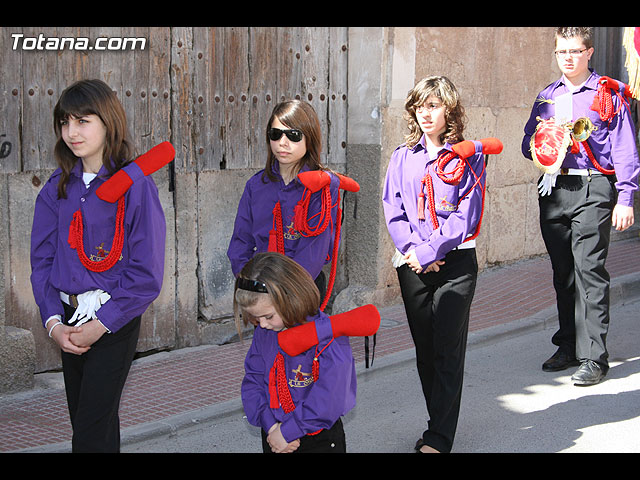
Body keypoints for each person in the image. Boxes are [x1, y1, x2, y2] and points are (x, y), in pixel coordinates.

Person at [30, 79, 170, 452]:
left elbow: (146, 273)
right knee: (91, 421)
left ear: (107, 121)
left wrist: (101, 325)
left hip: (114, 318)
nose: (72, 132)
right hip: (66, 318)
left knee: (90, 430)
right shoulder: (57, 188)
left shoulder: (136, 186)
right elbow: (41, 262)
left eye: (83, 121)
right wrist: (53, 323)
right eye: (65, 123)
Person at [382, 76, 501, 453]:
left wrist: (430, 251)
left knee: (448, 348)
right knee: (426, 350)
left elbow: (467, 212)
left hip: (455, 263)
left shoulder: (469, 156)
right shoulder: (403, 156)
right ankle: (438, 421)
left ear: (449, 109)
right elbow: (393, 207)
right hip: (412, 264)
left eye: (433, 105)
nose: (426, 113)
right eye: (420, 106)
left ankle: (438, 438)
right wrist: (413, 250)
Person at [522, 27, 639, 386]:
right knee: (564, 273)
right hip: (555, 188)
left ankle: (595, 356)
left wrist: (626, 197)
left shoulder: (606, 94)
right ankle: (569, 344)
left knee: (589, 270)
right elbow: (526, 143)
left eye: (575, 51)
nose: (568, 58)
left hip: (594, 186)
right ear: (555, 54)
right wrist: (544, 139)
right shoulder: (546, 97)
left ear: (589, 53)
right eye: (561, 52)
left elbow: (624, 148)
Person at [234, 252, 379, 453]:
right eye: (256, 319)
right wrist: (272, 427)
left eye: (268, 316)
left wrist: (289, 431)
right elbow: (254, 379)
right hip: (274, 434)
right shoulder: (265, 333)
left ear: (291, 298)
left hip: (317, 438)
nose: (263, 325)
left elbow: (329, 398)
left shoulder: (328, 339)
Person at [227, 100, 345, 306]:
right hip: (261, 287)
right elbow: (241, 241)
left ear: (310, 138)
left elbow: (314, 251)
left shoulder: (322, 187)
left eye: (293, 136)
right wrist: (248, 282)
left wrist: (283, 291)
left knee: (301, 339)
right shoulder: (256, 185)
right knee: (265, 337)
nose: (282, 142)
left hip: (302, 286)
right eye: (276, 134)